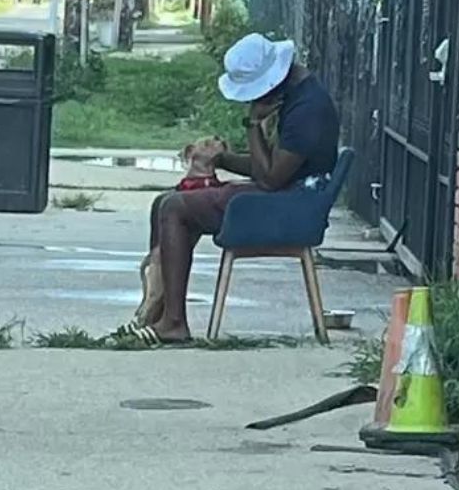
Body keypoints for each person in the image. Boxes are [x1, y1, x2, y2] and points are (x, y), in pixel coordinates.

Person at [131, 33, 338, 344]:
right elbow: (268, 168)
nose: (252, 101)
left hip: (292, 206)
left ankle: (173, 320)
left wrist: (254, 125)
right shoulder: (298, 97)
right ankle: (159, 304)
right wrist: (222, 158)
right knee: (164, 202)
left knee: (176, 208)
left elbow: (269, 179)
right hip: (289, 197)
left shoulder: (306, 110)